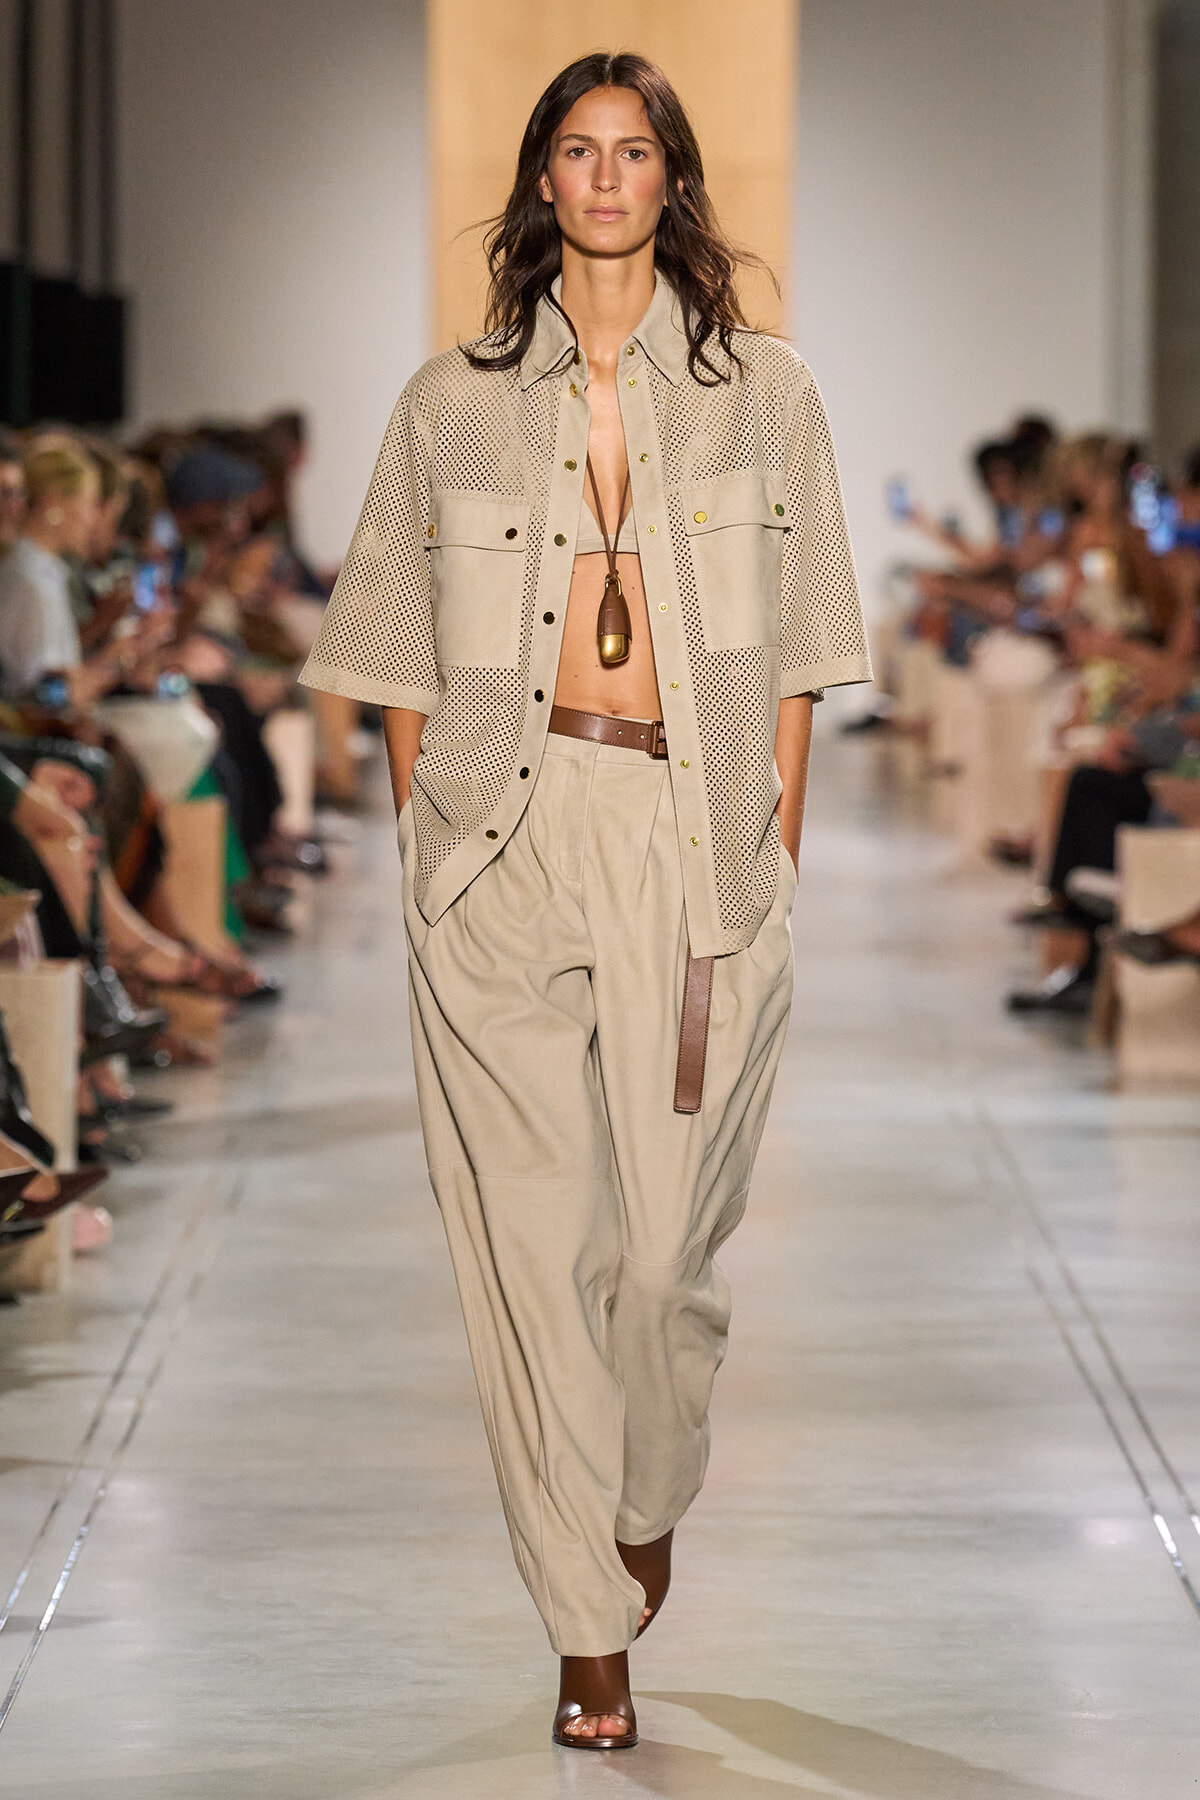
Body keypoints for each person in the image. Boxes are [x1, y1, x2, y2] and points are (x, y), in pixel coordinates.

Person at [300, 51, 871, 1751]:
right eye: (578, 149)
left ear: (672, 182)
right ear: (542, 181)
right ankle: (583, 1629)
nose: (607, 176)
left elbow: (814, 643)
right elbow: (393, 639)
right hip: (502, 834)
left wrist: (771, 836)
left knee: (667, 1252)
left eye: (635, 152)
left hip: (693, 835)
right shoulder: (452, 399)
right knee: (530, 1247)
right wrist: (430, 819)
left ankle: (646, 1483)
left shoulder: (765, 390)